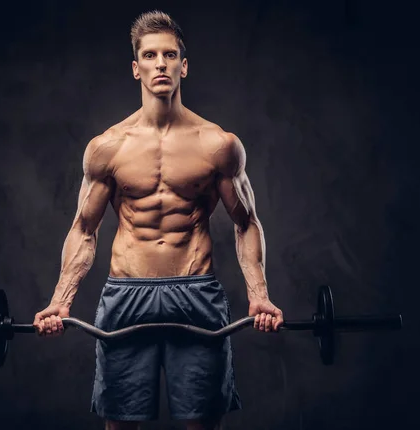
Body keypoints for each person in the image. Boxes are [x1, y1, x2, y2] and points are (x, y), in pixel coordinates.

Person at [32, 10, 283, 430]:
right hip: (127, 292)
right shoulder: (107, 148)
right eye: (150, 56)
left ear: (184, 65)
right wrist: (61, 299)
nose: (161, 64)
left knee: (202, 423)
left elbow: (246, 223)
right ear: (136, 68)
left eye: (170, 55)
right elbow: (84, 229)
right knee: (120, 426)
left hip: (195, 291)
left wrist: (258, 293)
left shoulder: (219, 144)